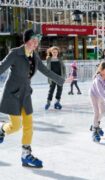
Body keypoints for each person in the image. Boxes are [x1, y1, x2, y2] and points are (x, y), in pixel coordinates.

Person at [0, 29, 65, 168]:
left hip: (25, 94)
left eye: (37, 41)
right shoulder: (15, 53)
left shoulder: (34, 56)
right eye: (33, 40)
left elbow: (46, 71)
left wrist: (62, 80)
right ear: (26, 40)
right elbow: (1, 67)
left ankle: (26, 155)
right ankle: (2, 129)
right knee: (16, 126)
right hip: (12, 94)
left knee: (29, 125)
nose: (36, 43)